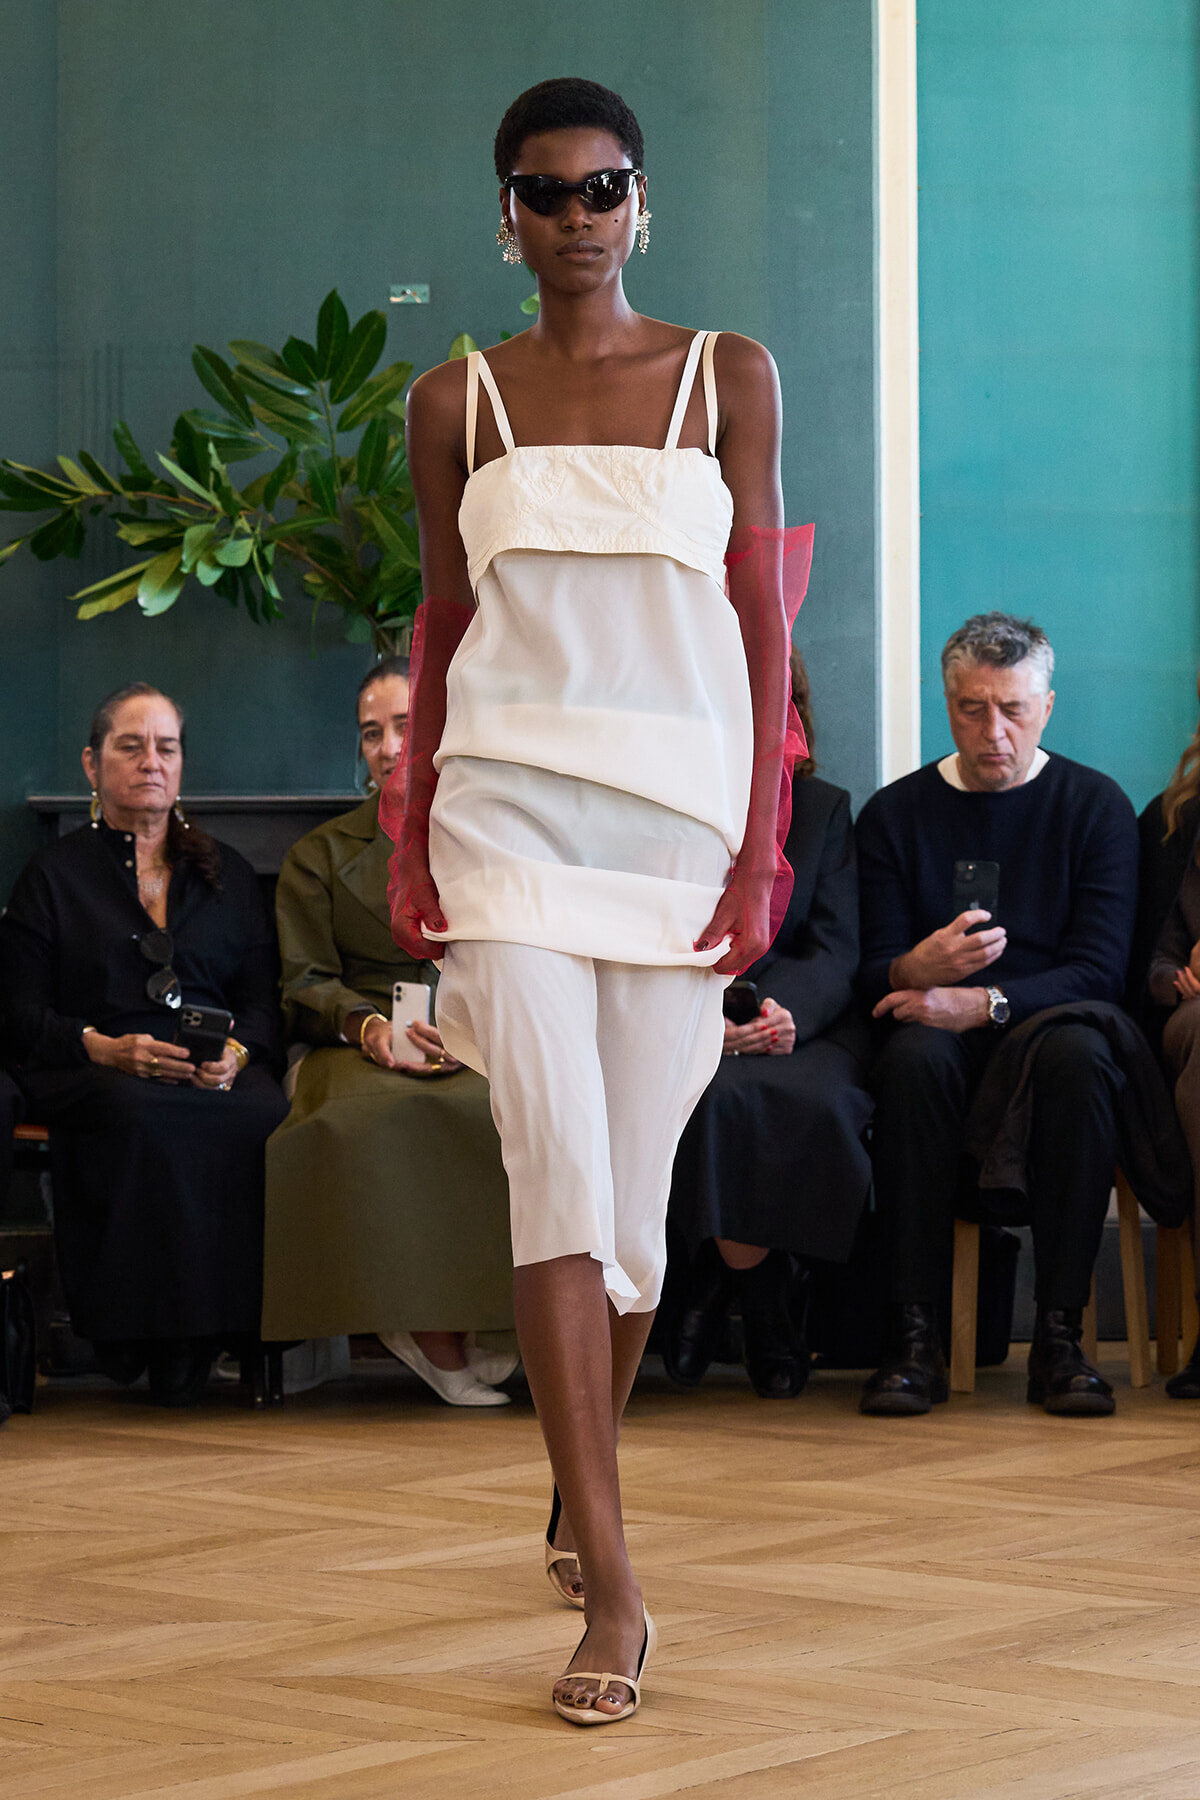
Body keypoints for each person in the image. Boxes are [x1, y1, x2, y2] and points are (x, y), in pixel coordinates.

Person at [386, 78, 803, 1723]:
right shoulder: (451, 402)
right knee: (552, 1162)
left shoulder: (727, 375)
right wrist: (416, 839)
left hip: (675, 837)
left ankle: (582, 1474)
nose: (576, 215)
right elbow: (437, 630)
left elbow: (766, 616)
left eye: (603, 186)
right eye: (544, 192)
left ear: (645, 202)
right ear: (507, 214)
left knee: (633, 1214)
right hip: (506, 826)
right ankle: (617, 1595)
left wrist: (763, 847)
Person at [855, 613, 1138, 1419]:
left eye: (1013, 709)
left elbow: (1101, 972)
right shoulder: (895, 815)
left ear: (1047, 707)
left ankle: (1060, 1336)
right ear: (947, 706)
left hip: (1050, 1032)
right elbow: (868, 968)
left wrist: (983, 1002)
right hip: (931, 1037)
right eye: (974, 708)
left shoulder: (1094, 807)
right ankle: (913, 1337)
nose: (994, 730)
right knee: (911, 1062)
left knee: (1080, 1058)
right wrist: (912, 969)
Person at [0, 683, 287, 1405]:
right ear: (93, 767)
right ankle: (144, 1341)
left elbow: (260, 1004)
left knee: (257, 1114)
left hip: (212, 1065)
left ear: (182, 764)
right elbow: (18, 1015)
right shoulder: (53, 876)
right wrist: (103, 1045)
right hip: (94, 1062)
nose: (151, 762)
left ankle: (233, 1335)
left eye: (167, 747)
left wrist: (238, 1058)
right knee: (139, 1113)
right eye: (131, 747)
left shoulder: (226, 875)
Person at [262, 655, 516, 1406]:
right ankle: (423, 1327)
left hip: (479, 1031)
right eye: (372, 732)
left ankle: (498, 1324)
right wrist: (368, 1027)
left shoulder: (490, 838)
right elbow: (304, 980)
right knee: (366, 1116)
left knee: (516, 1112)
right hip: (358, 1038)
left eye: (404, 725)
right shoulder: (320, 854)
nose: (386, 745)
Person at [664, 648, 872, 1398]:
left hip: (803, 1026)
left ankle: (723, 1287)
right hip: (693, 1015)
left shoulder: (825, 810)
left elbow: (836, 944)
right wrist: (706, 1017)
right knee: (709, 1095)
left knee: (798, 1102)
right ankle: (764, 1297)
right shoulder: (673, 807)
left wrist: (786, 1013)